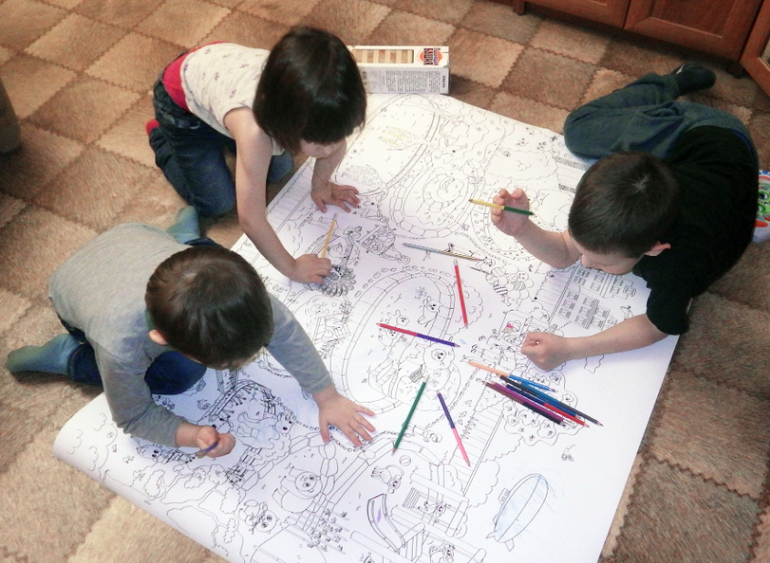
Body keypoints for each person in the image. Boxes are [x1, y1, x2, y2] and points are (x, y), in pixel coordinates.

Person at [6, 208, 376, 456]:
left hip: (138, 241)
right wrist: (191, 434)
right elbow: (132, 417)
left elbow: (285, 331)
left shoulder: (241, 291)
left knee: (208, 262)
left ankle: (182, 237)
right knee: (181, 376)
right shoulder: (122, 343)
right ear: (161, 339)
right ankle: (71, 357)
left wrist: (327, 397)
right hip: (73, 292)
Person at [491, 64, 758, 371]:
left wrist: (571, 349)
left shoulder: (682, 265)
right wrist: (522, 229)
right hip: (691, 149)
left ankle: (666, 90)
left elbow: (658, 325)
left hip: (719, 134)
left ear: (654, 248)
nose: (585, 263)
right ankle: (666, 89)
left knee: (579, 128)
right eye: (586, 251)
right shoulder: (607, 202)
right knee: (579, 133)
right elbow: (564, 253)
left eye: (604, 262)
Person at [147, 26, 367, 285]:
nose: (330, 149)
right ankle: (159, 136)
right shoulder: (255, 134)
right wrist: (293, 268)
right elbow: (251, 219)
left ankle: (229, 134)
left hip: (223, 85)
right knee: (216, 204)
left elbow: (331, 142)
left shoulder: (305, 101)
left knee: (278, 169)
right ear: (285, 124)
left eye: (339, 136)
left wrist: (321, 185)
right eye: (321, 143)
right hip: (181, 106)